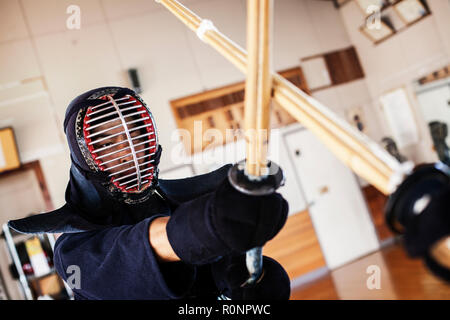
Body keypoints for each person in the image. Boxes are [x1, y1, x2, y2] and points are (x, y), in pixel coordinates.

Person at [8, 87, 291, 300]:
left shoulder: (178, 201)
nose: (127, 151)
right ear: (84, 158)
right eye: (108, 143)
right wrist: (204, 226)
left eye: (134, 135)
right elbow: (137, 248)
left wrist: (250, 281)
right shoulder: (75, 251)